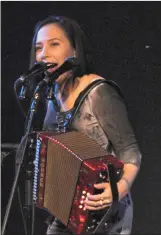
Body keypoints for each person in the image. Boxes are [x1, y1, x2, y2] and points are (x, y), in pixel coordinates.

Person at [16, 16, 141, 234]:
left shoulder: (99, 92)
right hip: (64, 213)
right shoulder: (50, 95)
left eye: (54, 44)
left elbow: (131, 152)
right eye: (38, 47)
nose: (44, 53)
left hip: (105, 214)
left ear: (74, 51)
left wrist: (119, 188)